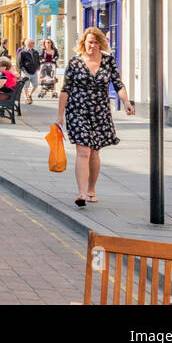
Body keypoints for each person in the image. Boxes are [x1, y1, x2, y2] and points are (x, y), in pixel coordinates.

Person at [56, 26, 133, 208]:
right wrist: (60, 115)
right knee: (83, 151)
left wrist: (127, 102)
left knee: (94, 153)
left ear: (101, 44)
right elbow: (65, 89)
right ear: (84, 43)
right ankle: (81, 193)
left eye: (96, 42)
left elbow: (118, 84)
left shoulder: (108, 61)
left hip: (100, 112)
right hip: (77, 110)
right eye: (90, 42)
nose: (93, 46)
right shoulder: (75, 63)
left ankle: (91, 189)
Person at [17, 38, 41, 106]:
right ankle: (27, 98)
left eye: (33, 43)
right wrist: (23, 70)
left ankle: (29, 95)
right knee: (25, 86)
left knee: (35, 85)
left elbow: (38, 61)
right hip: (26, 72)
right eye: (31, 43)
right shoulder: (22, 52)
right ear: (27, 44)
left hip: (34, 71)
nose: (32, 44)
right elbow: (19, 63)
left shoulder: (35, 52)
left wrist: (37, 67)